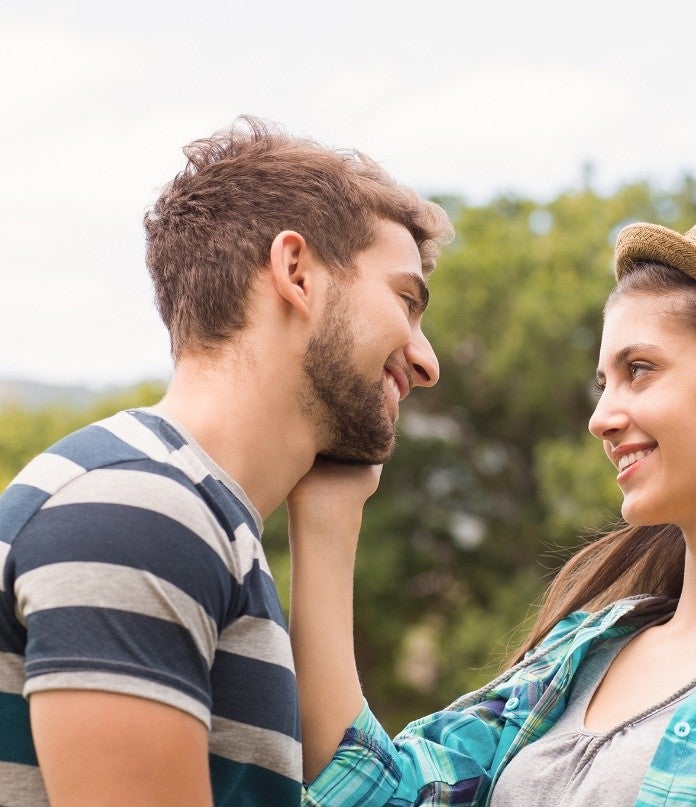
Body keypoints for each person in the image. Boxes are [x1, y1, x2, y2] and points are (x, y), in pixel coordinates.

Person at [288, 204, 696, 806]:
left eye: (639, 370)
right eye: (602, 383)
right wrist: (327, 517)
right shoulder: (581, 652)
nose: (600, 418)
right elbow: (373, 791)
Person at [0, 117, 452, 806]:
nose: (427, 361)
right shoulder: (140, 516)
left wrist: (329, 519)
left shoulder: (188, 517)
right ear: (296, 272)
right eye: (406, 300)